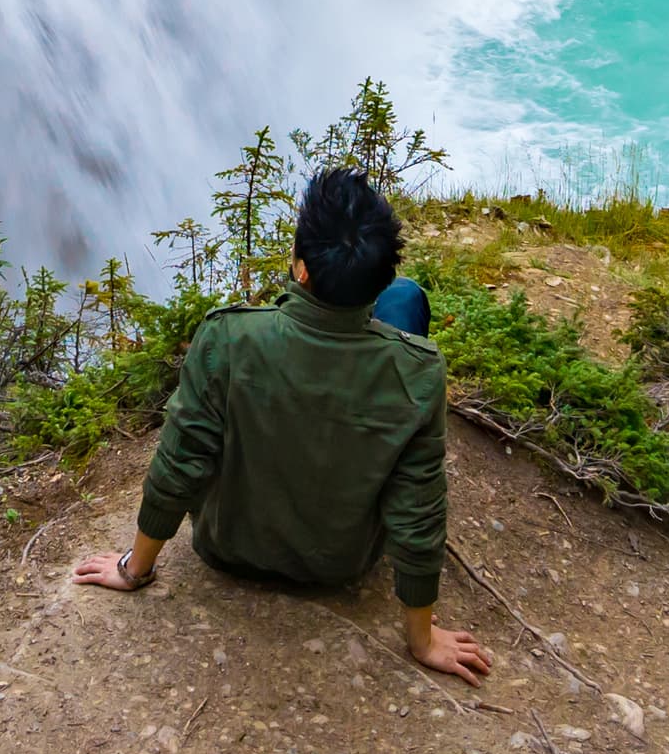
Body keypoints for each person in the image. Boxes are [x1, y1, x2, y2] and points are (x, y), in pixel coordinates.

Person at [70, 169, 495, 684]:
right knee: (408, 300)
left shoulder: (226, 339)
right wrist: (422, 640)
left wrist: (132, 569)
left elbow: (181, 463)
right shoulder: (419, 371)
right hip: (339, 563)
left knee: (364, 311)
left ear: (299, 267)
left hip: (226, 549)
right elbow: (417, 512)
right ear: (377, 276)